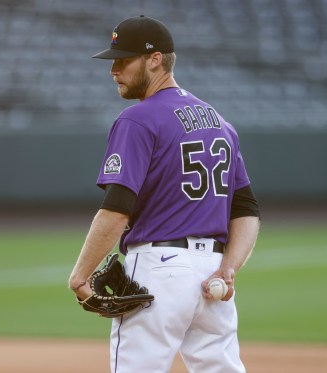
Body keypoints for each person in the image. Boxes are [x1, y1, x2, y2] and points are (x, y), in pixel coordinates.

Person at [68, 15, 260, 373]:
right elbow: (246, 210)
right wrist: (228, 267)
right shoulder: (220, 123)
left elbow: (118, 209)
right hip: (212, 274)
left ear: (155, 59)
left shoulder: (138, 120)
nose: (114, 69)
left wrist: (81, 275)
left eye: (123, 59)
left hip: (160, 271)